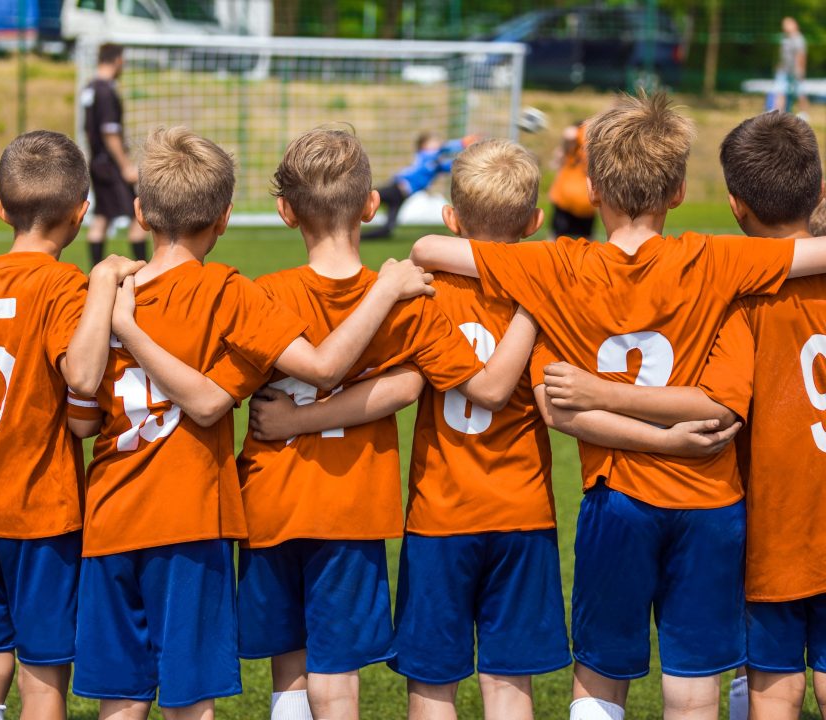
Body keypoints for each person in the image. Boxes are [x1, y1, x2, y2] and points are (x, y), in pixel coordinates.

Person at [247, 138, 738, 720]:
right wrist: (535, 305)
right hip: (523, 514)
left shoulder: (423, 294)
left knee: (432, 687)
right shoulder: (550, 300)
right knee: (508, 686)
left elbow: (406, 385)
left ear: (452, 219)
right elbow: (551, 406)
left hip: (439, 515)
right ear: (534, 222)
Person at [410, 92, 826, 720]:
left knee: (602, 677)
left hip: (617, 496)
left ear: (593, 189)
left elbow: (430, 251)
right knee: (692, 687)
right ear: (680, 190)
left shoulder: (555, 264)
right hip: (709, 501)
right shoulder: (715, 257)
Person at [66, 126, 436, 719]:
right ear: (226, 216)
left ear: (139, 211)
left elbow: (81, 406)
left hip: (113, 514)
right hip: (194, 516)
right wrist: (388, 286)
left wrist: (112, 300)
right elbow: (315, 371)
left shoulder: (96, 300)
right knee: (195, 699)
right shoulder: (229, 293)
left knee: (123, 698)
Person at [233, 129, 546, 720]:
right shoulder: (407, 299)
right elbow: (409, 386)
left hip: (271, 500)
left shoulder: (260, 295)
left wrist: (298, 420)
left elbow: (226, 389)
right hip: (353, 506)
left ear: (283, 211)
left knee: (290, 673)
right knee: (338, 680)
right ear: (372, 205)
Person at [539, 111, 826, 720]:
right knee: (712, 683)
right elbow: (718, 406)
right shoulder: (732, 271)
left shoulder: (735, 289)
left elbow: (714, 405)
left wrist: (599, 392)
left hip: (727, 514)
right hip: (727, 509)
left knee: (613, 680)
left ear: (734, 204)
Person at [0, 130, 143, 720]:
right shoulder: (65, 286)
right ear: (82, 212)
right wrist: (101, 283)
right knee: (43, 677)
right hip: (40, 513)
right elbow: (83, 374)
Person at [82, 42, 148, 267]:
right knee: (138, 216)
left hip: (96, 162)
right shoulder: (106, 91)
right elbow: (110, 132)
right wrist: (125, 165)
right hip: (111, 164)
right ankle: (143, 271)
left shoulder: (90, 87)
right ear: (118, 60)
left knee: (102, 216)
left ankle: (94, 271)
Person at [362, 132, 477, 240]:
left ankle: (360, 237)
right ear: (423, 146)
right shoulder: (424, 155)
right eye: (433, 142)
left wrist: (472, 156)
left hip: (401, 197)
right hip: (395, 188)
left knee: (387, 230)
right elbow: (441, 149)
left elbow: (454, 165)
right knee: (362, 201)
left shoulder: (436, 165)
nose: (437, 143)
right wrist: (461, 143)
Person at [549, 122, 596, 240]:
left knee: (585, 242)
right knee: (556, 239)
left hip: (586, 207)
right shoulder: (573, 146)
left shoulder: (594, 148)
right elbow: (568, 136)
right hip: (564, 203)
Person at [773, 17, 809, 117]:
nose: (785, 27)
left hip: (795, 70)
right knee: (780, 91)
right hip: (784, 70)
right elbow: (783, 55)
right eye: (784, 25)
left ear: (795, 25)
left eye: (787, 24)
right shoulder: (784, 38)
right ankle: (778, 113)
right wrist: (779, 65)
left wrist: (800, 70)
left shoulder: (798, 39)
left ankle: (804, 114)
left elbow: (801, 55)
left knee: (800, 92)